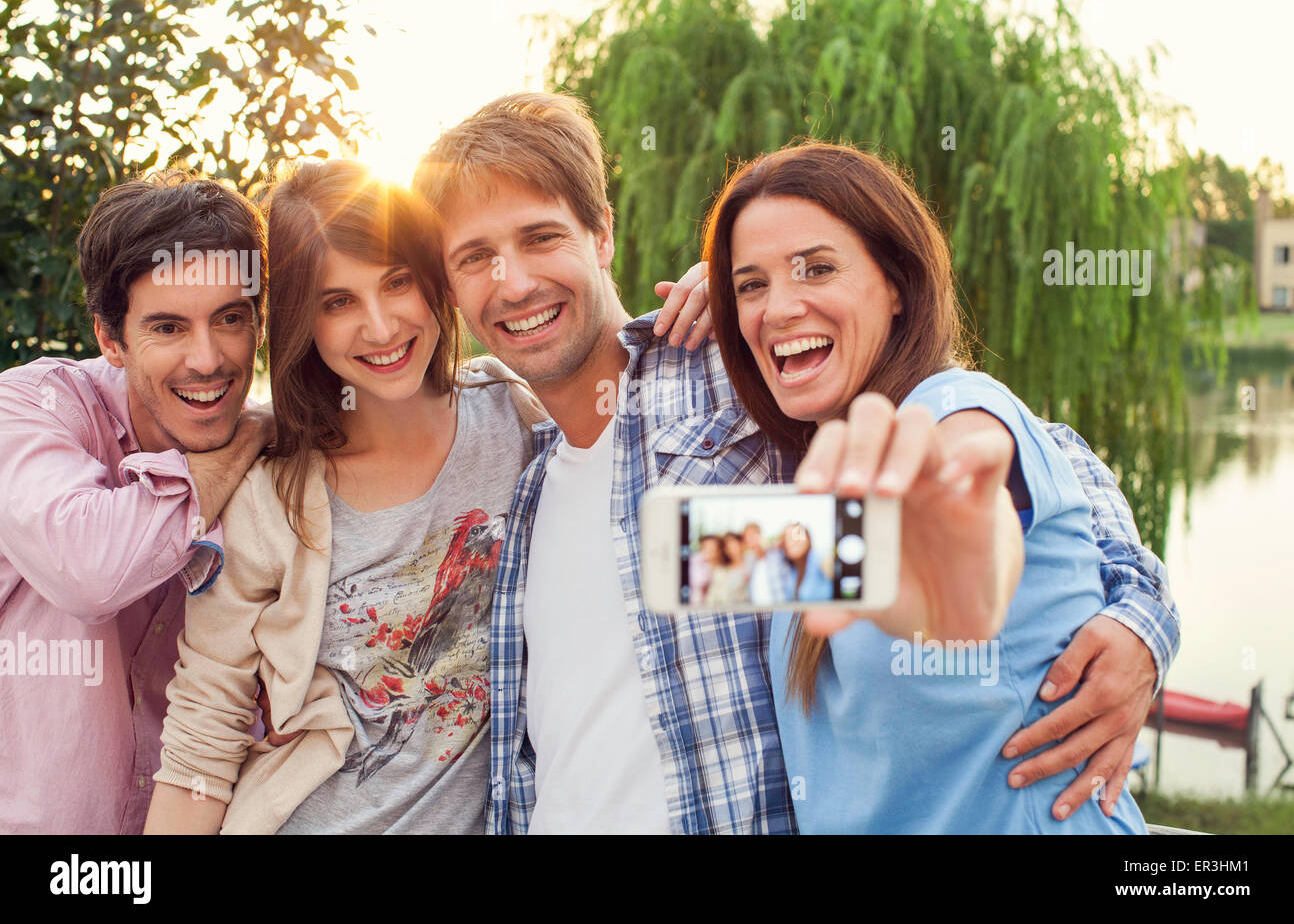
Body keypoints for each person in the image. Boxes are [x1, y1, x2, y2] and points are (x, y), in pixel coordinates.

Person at [414, 91, 1177, 833]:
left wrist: (1138, 617)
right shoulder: (523, 462)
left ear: (602, 233)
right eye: (474, 257)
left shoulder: (738, 381)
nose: (511, 281)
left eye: (541, 237)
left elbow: (1020, 471)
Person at [704, 140, 1157, 832]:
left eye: (817, 268)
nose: (779, 307)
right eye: (750, 285)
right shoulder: (815, 481)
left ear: (896, 286)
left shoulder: (957, 408)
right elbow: (696, 559)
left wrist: (958, 554)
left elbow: (967, 480)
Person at [142, 160, 546, 833]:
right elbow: (201, 736)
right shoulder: (271, 498)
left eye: (396, 282)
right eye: (338, 302)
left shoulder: (512, 415)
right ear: (303, 321)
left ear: (433, 281)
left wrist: (710, 301)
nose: (382, 326)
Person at [0, 171, 274, 833]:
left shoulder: (280, 473)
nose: (206, 359)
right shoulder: (28, 410)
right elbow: (89, 569)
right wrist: (238, 448)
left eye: (230, 318)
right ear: (110, 338)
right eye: (169, 326)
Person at [749, 523, 832, 606]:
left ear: (807, 538)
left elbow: (831, 567)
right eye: (786, 539)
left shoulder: (819, 558)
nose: (791, 541)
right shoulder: (791, 570)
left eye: (796, 535)